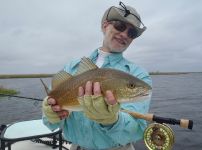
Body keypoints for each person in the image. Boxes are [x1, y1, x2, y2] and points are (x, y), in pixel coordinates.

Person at [42, 2, 152, 150]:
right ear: (105, 25)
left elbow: (136, 130)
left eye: (131, 33)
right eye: (120, 26)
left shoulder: (139, 75)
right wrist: (50, 113)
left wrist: (112, 120)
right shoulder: (71, 67)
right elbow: (50, 121)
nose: (125, 34)